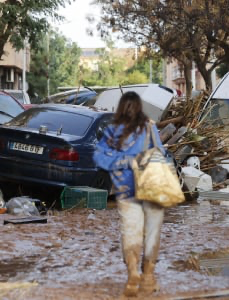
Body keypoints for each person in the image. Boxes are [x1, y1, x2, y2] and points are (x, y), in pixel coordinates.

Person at [94, 91, 167, 297]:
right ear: (140, 107)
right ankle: (148, 279)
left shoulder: (113, 130)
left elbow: (100, 158)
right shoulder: (150, 128)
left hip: (125, 190)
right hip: (150, 189)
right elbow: (161, 154)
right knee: (152, 234)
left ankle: (133, 272)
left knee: (131, 232)